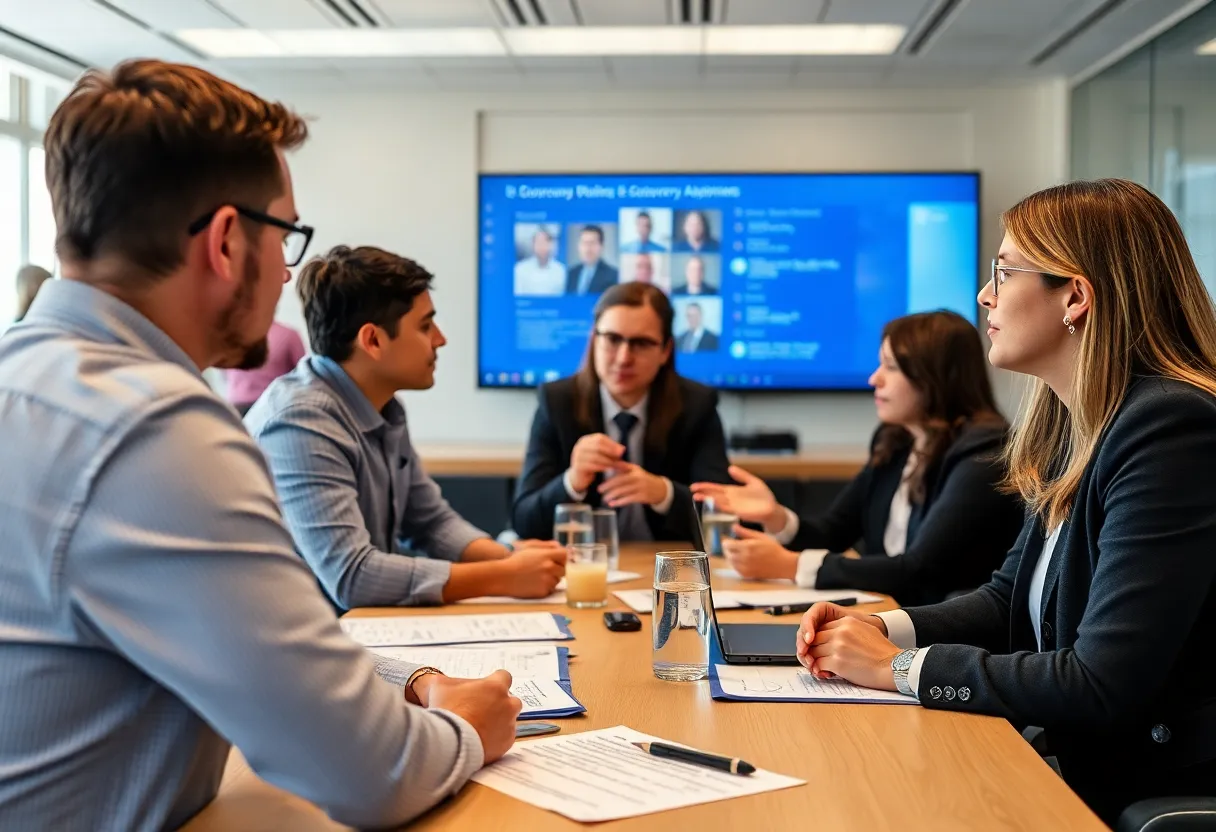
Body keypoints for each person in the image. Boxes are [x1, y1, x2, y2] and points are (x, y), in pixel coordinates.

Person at [0, 59, 520, 832]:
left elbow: (246, 645)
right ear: (224, 243)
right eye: (286, 236)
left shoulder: (31, 375)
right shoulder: (156, 429)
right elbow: (368, 773)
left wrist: (411, 680)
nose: (286, 271)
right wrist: (466, 729)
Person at [793, 180, 1216, 823]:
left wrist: (901, 667)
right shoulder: (1073, 424)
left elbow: (1099, 682)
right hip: (1073, 762)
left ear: (1075, 295)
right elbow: (1004, 598)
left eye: (1004, 270)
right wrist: (883, 628)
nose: (985, 295)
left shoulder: (1170, 429)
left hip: (1135, 787)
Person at [247, 244, 566, 611]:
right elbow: (353, 576)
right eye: (426, 326)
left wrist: (508, 558)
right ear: (374, 340)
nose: (440, 339)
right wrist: (504, 576)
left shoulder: (382, 405)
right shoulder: (300, 422)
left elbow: (429, 522)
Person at [692, 310, 1023, 606]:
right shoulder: (895, 442)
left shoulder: (984, 456)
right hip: (887, 618)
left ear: (935, 378)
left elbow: (920, 569)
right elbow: (833, 533)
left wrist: (790, 566)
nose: (873, 378)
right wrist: (776, 516)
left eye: (890, 367)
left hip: (946, 643)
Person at [513, 282, 731, 541]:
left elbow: (723, 516)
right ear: (594, 341)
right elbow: (524, 523)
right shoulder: (557, 401)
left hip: (668, 568)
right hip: (585, 567)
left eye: (641, 343)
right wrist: (572, 481)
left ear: (665, 351)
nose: (624, 357)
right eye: (612, 339)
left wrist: (664, 494)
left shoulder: (697, 405)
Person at [225, 319, 307, 415]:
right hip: (276, 407)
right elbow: (304, 375)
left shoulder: (232, 335)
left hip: (237, 407)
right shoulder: (288, 335)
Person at [565, 225, 618, 295]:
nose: (588, 249)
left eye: (592, 243)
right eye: (584, 243)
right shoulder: (571, 274)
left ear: (601, 246)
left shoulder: (613, 275)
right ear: (578, 246)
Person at [512, 227, 565, 296]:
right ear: (533, 245)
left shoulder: (560, 270)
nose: (541, 246)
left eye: (545, 242)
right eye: (538, 242)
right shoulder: (520, 269)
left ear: (550, 245)